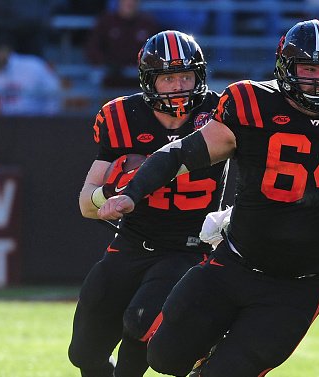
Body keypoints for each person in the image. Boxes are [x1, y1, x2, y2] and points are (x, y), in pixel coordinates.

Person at [98, 19, 319, 376]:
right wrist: (133, 192)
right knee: (163, 357)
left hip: (303, 283)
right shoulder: (252, 103)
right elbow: (180, 154)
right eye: (308, 68)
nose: (318, 79)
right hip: (234, 263)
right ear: (286, 69)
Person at [68, 30, 229, 377]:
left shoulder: (220, 114)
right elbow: (86, 203)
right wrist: (109, 194)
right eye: (168, 78)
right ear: (148, 81)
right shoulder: (121, 117)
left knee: (140, 322)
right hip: (132, 242)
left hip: (189, 246)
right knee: (84, 352)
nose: (179, 86)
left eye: (186, 75)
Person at [0, 38, 62, 115]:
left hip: (34, 122)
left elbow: (53, 92)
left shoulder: (33, 66)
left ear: (7, 50)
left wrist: (47, 119)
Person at [85, 0, 160, 87]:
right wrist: (105, 63)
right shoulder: (106, 22)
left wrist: (144, 64)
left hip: (139, 82)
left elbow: (156, 50)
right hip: (111, 78)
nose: (130, 3)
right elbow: (93, 46)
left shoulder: (148, 24)